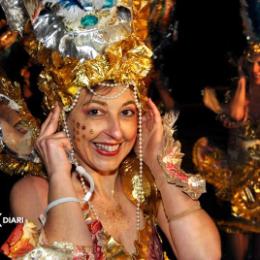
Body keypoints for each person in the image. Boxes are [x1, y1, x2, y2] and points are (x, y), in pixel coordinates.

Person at [0, 1, 221, 259]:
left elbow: (204, 256)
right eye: (95, 112)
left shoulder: (141, 184)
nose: (116, 132)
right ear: (62, 116)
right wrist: (59, 175)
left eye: (126, 112)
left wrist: (158, 167)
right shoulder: (37, 191)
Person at [193, 41, 260, 260]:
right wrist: (242, 80)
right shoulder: (238, 90)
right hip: (238, 175)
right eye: (253, 64)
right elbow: (235, 116)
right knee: (236, 228)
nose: (256, 70)